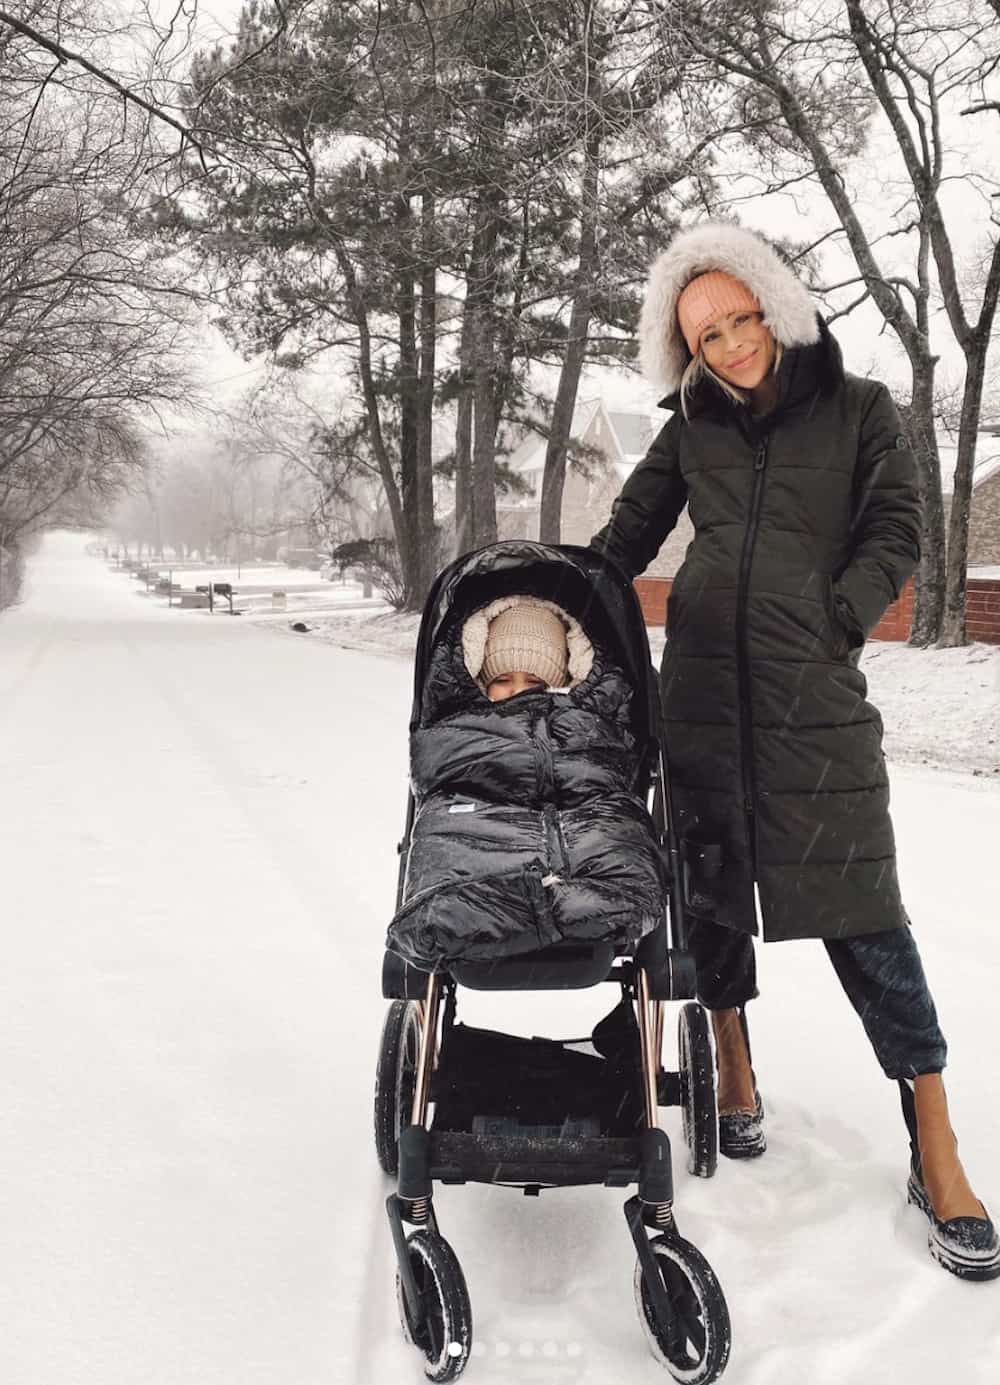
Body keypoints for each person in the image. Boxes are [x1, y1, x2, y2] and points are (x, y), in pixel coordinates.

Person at [590, 220, 999, 1281]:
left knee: (865, 911)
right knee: (711, 887)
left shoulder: (861, 409)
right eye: (702, 336)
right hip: (703, 694)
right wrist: (551, 591)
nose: (726, 344)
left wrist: (838, 617)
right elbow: (628, 534)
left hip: (812, 693)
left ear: (773, 302)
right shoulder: (690, 427)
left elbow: (898, 525)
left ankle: (937, 1144)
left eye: (737, 319)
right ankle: (733, 1067)